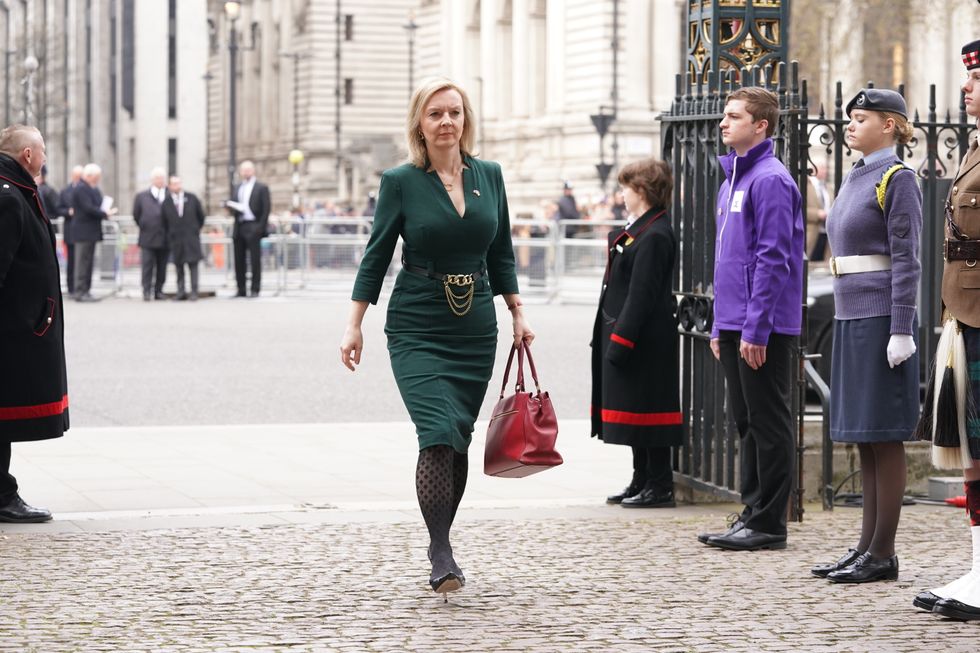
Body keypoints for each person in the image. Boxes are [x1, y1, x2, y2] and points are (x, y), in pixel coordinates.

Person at [339, 77, 532, 598]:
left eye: (454, 112)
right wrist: (355, 322)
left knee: (460, 435)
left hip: (474, 329)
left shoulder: (488, 175)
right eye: (435, 114)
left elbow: (502, 253)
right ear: (419, 124)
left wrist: (517, 311)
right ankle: (440, 550)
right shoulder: (400, 181)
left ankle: (442, 542)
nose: (446, 122)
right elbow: (377, 253)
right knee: (437, 429)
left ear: (465, 119)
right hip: (417, 322)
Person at [809, 89, 921, 584]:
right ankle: (865, 547)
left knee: (885, 436)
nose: (850, 126)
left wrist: (901, 326)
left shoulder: (898, 179)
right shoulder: (856, 175)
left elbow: (908, 260)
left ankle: (884, 552)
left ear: (891, 125)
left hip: (881, 318)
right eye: (850, 119)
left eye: (861, 118)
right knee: (863, 437)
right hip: (852, 313)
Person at [699, 87, 804, 551]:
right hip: (736, 322)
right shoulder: (731, 182)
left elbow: (774, 258)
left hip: (765, 326)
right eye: (724, 115)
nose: (723, 123)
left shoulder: (771, 180)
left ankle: (769, 523)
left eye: (733, 116)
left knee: (768, 420)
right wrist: (721, 325)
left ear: (760, 125)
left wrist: (755, 327)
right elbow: (727, 260)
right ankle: (752, 511)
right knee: (745, 420)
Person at [913, 40, 980, 621]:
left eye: (976, 80)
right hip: (964, 310)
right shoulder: (975, 148)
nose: (966, 87)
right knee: (973, 451)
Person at [592, 158, 682, 508]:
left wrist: (621, 340)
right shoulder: (640, 230)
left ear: (641, 191)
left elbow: (641, 296)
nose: (622, 195)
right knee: (635, 412)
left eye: (625, 188)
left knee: (650, 412)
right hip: (634, 337)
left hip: (647, 340)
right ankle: (641, 477)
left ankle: (660, 484)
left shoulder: (657, 234)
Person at [0, 124, 69, 523]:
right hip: (10, 331)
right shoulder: (9, 197)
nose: (44, 158)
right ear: (27, 155)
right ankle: (2, 495)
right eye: (42, 150)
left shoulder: (15, 189)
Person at [71, 163, 115, 302]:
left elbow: (98, 204)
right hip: (83, 231)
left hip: (92, 231)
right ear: (89, 176)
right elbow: (88, 208)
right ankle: (79, 291)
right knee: (82, 262)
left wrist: (104, 211)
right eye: (96, 177)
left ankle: (86, 290)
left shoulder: (93, 189)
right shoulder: (81, 188)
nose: (97, 180)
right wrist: (103, 213)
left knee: (89, 262)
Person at [228, 160, 270, 297]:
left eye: (248, 170)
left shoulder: (261, 187)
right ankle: (241, 289)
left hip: (254, 225)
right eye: (243, 170)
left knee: (255, 260)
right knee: (239, 260)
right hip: (240, 225)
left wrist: (260, 227)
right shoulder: (237, 187)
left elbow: (266, 209)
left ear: (253, 171)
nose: (245, 172)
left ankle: (255, 289)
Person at [162, 175, 206, 301]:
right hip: (176, 239)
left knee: (193, 266)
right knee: (179, 267)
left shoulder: (192, 198)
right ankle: (181, 292)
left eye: (178, 183)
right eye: (173, 184)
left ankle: (194, 292)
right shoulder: (167, 202)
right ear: (169, 186)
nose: (176, 186)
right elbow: (164, 221)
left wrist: (194, 230)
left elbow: (201, 217)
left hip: (191, 238)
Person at [132, 167, 170, 301]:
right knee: (147, 265)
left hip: (165, 237)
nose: (160, 181)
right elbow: (136, 215)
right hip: (147, 237)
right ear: (152, 180)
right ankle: (146, 290)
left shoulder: (169, 194)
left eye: (162, 178)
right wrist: (144, 225)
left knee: (162, 266)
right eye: (157, 178)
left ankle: (158, 290)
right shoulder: (142, 196)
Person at [58, 165, 83, 296]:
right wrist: (68, 212)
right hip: (70, 230)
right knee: (72, 261)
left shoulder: (85, 190)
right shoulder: (65, 191)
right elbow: (59, 209)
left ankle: (80, 286)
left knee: (81, 260)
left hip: (82, 231)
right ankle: (71, 287)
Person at [806, 162, 833, 262]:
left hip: (826, 234)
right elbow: (798, 209)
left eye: (826, 169)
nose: (825, 171)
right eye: (822, 168)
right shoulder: (806, 185)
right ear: (813, 169)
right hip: (811, 232)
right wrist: (817, 214)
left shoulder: (828, 187)